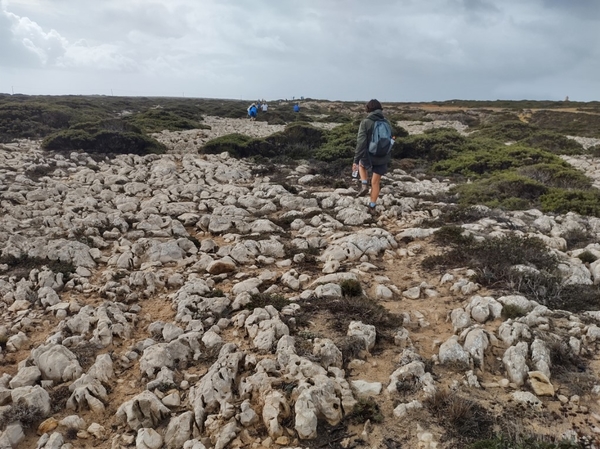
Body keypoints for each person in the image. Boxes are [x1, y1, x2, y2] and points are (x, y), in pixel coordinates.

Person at [352, 99, 393, 216]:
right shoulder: (387, 122)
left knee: (361, 163)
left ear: (368, 109)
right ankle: (372, 207)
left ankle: (364, 184)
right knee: (375, 182)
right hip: (383, 156)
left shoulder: (366, 122)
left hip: (368, 155)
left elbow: (361, 143)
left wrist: (355, 159)